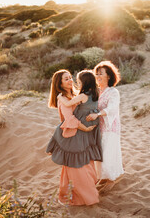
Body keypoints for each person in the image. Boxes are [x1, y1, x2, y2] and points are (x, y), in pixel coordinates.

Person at [46, 69, 102, 206]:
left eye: (70, 77)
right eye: (66, 79)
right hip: (72, 136)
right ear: (59, 84)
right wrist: (85, 128)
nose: (70, 80)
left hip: (83, 137)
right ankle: (89, 198)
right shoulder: (63, 99)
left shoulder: (77, 95)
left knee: (81, 165)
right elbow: (70, 120)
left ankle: (69, 196)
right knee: (78, 168)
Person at [86, 61, 124, 192]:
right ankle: (102, 177)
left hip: (110, 127)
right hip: (97, 128)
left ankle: (111, 178)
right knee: (99, 155)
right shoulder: (96, 92)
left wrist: (98, 114)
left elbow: (112, 108)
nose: (98, 76)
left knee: (107, 153)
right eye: (96, 74)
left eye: (101, 73)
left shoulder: (113, 92)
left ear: (109, 76)